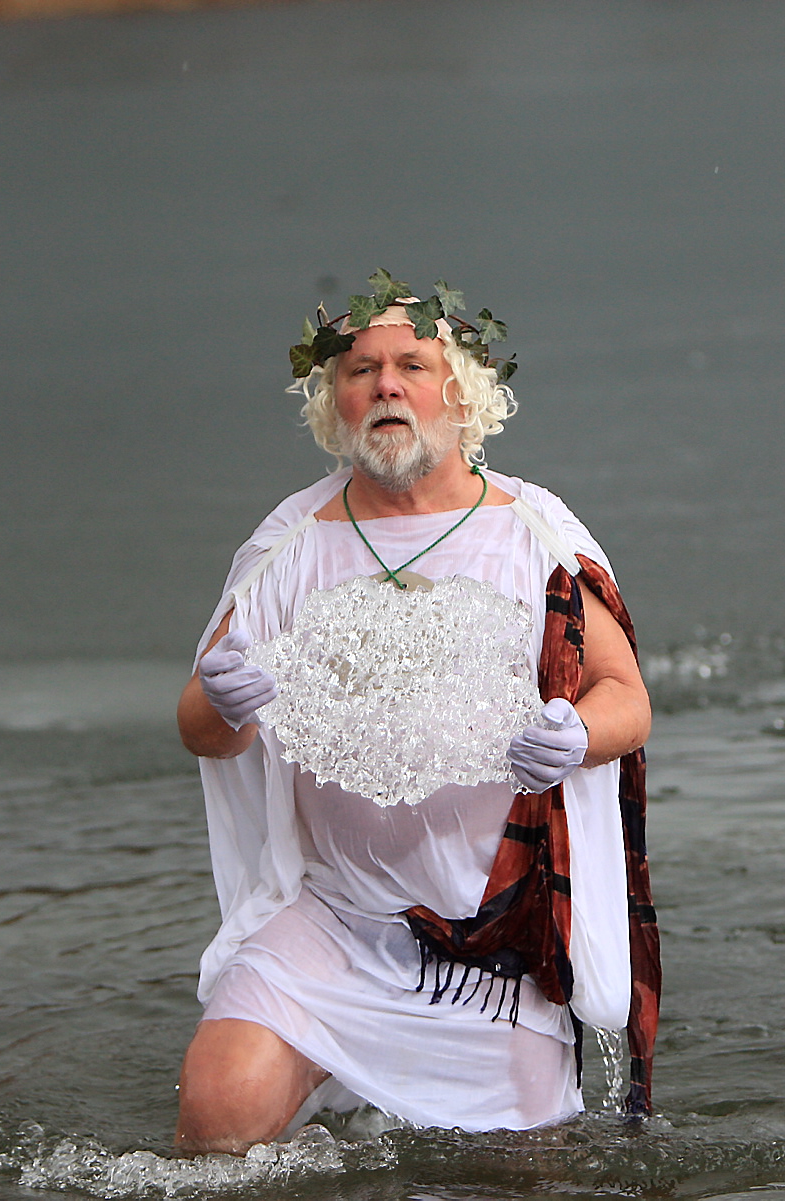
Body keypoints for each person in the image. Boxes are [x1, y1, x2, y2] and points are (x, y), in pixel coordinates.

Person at [174, 272, 659, 1154]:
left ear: (460, 393)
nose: (385, 385)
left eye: (410, 365)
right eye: (360, 370)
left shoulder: (536, 535)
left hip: (491, 944)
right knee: (216, 1112)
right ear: (336, 400)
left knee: (515, 1174)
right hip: (331, 917)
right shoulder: (290, 541)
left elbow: (626, 700)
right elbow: (197, 725)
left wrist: (576, 734)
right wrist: (225, 704)